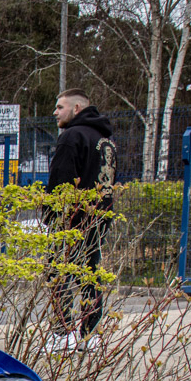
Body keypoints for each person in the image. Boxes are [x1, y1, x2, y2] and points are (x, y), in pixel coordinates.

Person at [44, 89, 117, 352]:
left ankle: (62, 334)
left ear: (76, 109)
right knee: (89, 274)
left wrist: (51, 217)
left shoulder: (72, 136)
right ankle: (90, 333)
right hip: (99, 218)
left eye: (60, 107)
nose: (55, 112)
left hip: (71, 220)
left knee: (58, 272)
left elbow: (60, 181)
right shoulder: (105, 141)